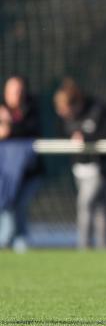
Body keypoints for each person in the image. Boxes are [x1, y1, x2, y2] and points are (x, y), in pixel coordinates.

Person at [53, 78, 106, 250]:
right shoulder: (66, 118)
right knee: (99, 207)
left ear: (75, 103)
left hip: (100, 168)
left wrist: (87, 138)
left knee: (85, 203)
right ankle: (105, 247)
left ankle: (84, 245)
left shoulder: (99, 109)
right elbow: (62, 132)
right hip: (80, 168)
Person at [0, 76, 42, 252]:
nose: (16, 95)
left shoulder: (31, 110)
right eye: (12, 91)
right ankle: (6, 240)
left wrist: (9, 126)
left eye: (19, 91)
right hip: (4, 174)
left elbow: (31, 130)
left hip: (27, 173)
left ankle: (18, 238)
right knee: (5, 204)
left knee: (18, 207)